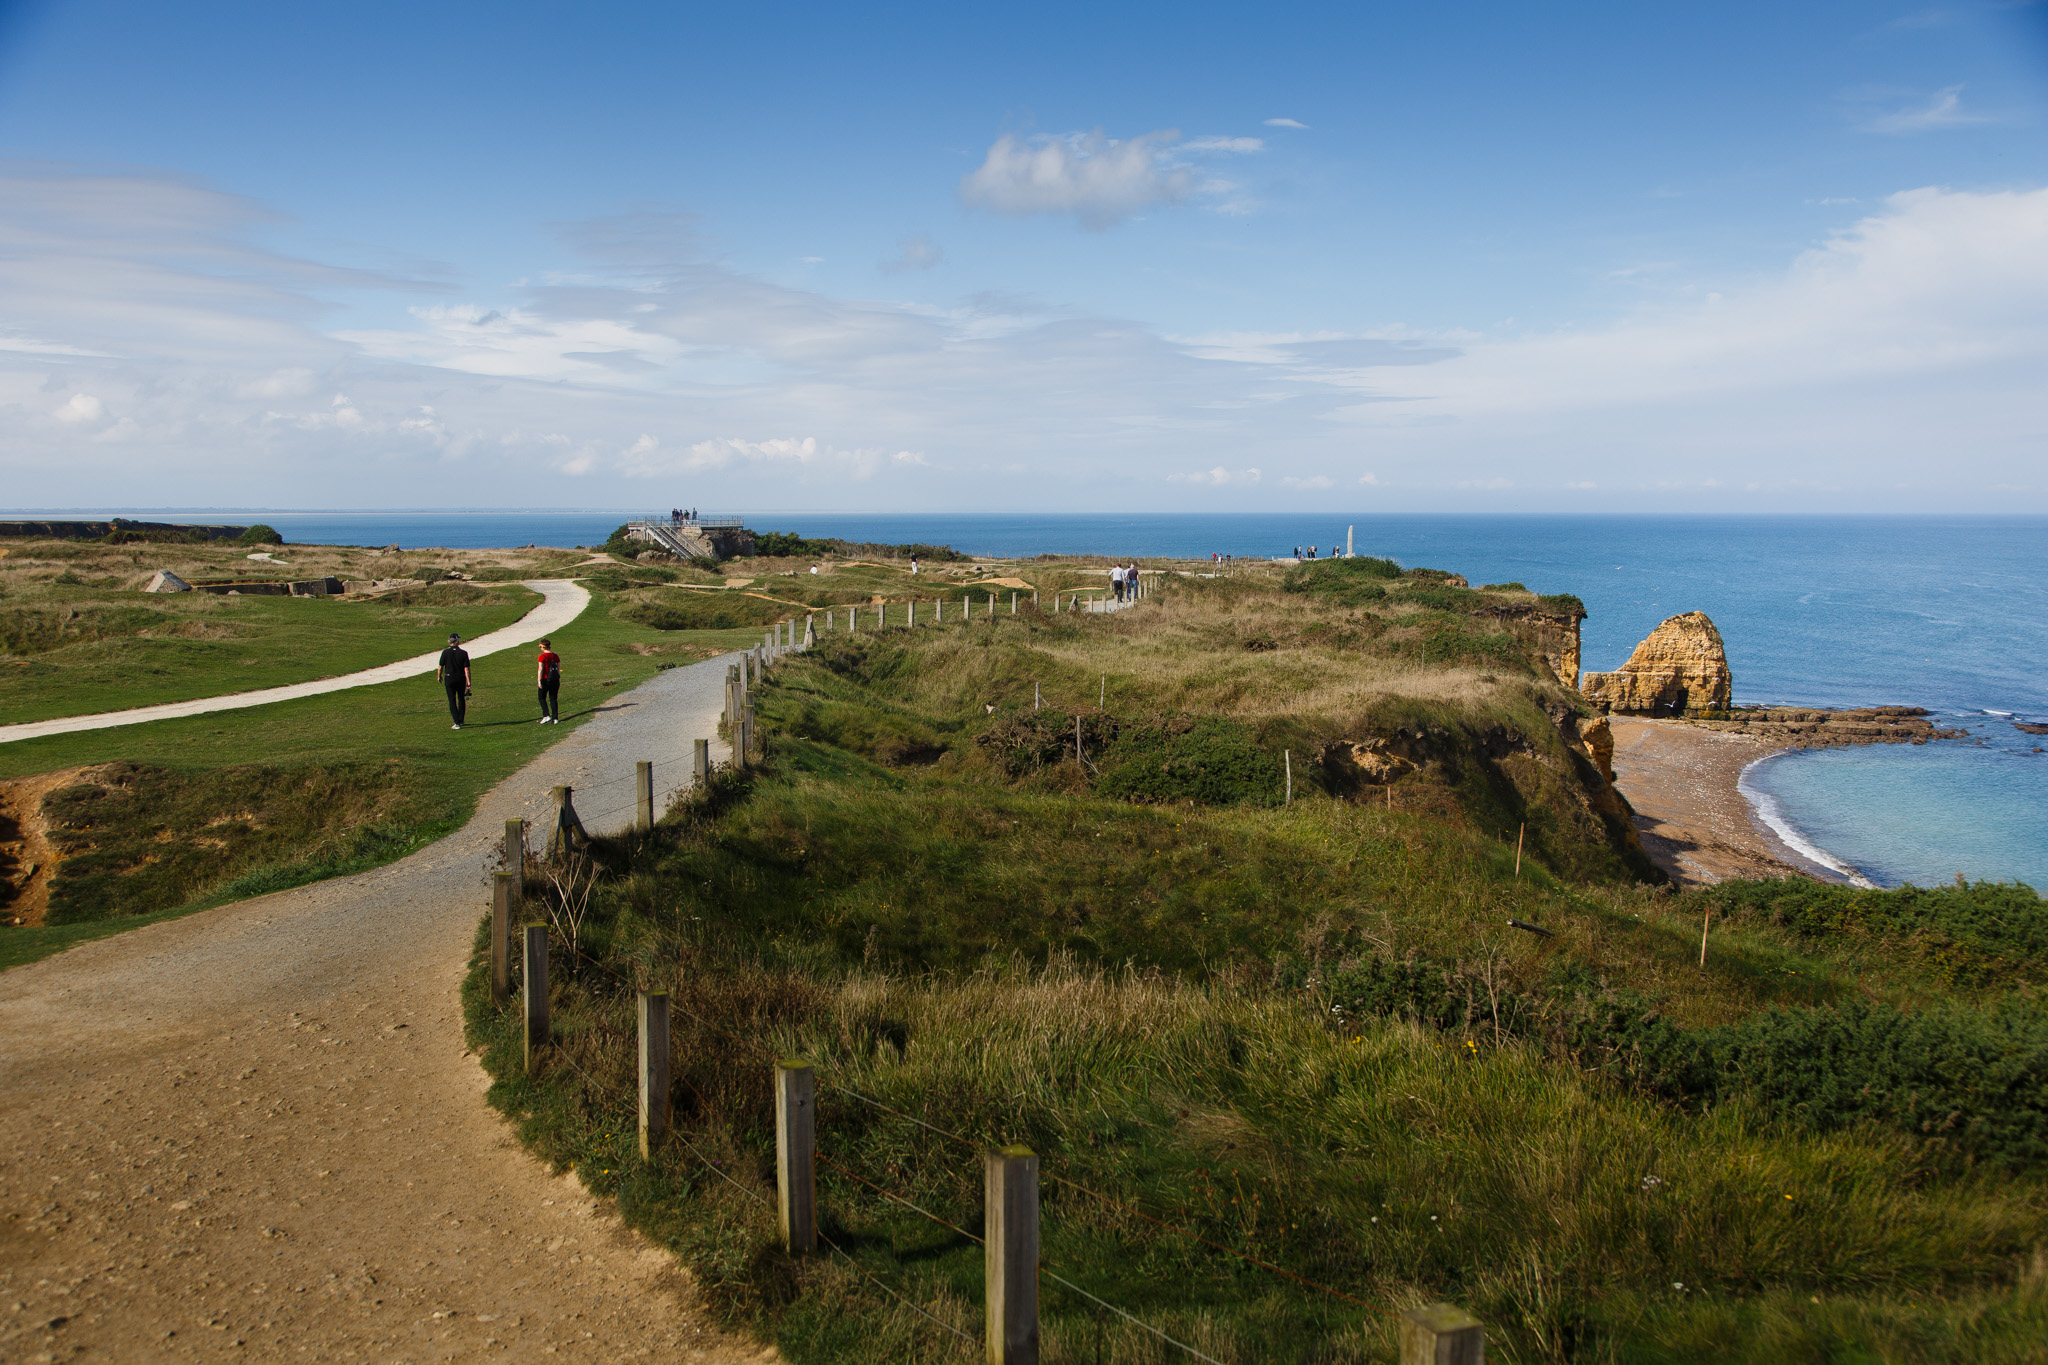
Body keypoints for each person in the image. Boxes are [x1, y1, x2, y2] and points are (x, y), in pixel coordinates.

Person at [438, 633, 471, 729]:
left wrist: (439, 676)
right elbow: (467, 669)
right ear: (457, 641)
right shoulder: (463, 653)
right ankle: (460, 719)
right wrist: (469, 682)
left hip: (449, 678)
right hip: (460, 678)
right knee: (461, 698)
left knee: (452, 700)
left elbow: (440, 667)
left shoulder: (445, 652)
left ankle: (456, 721)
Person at [536, 636, 562, 724]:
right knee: (553, 698)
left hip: (545, 679)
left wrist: (539, 680)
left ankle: (546, 715)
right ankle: (555, 718)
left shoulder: (542, 657)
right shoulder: (555, 656)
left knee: (542, 697)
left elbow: (541, 669)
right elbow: (558, 669)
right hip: (555, 679)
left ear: (543, 647)